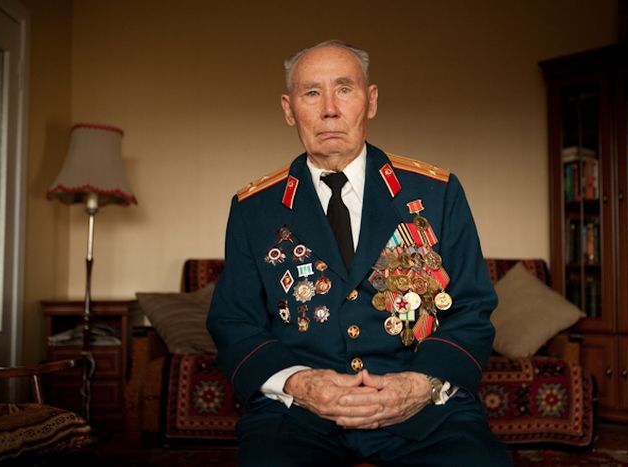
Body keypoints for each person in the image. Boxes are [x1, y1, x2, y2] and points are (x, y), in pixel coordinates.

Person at [207, 40, 511, 466]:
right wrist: (299, 384)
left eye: (344, 89)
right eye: (312, 93)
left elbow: (471, 308)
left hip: (422, 412)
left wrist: (419, 385)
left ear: (371, 101)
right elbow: (235, 321)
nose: (329, 109)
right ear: (289, 109)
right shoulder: (254, 209)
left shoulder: (436, 193)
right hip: (300, 417)